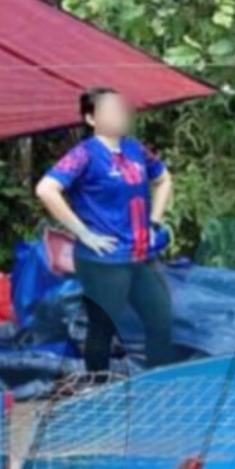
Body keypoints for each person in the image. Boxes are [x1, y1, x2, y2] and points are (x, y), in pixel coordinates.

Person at [36, 87, 175, 374]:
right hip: (104, 260)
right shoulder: (84, 154)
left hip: (140, 254)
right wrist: (84, 233)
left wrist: (154, 223)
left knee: (161, 318)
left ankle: (160, 382)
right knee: (103, 326)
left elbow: (163, 179)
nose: (119, 113)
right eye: (110, 109)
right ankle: (97, 388)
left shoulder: (135, 149)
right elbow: (46, 189)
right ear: (91, 118)